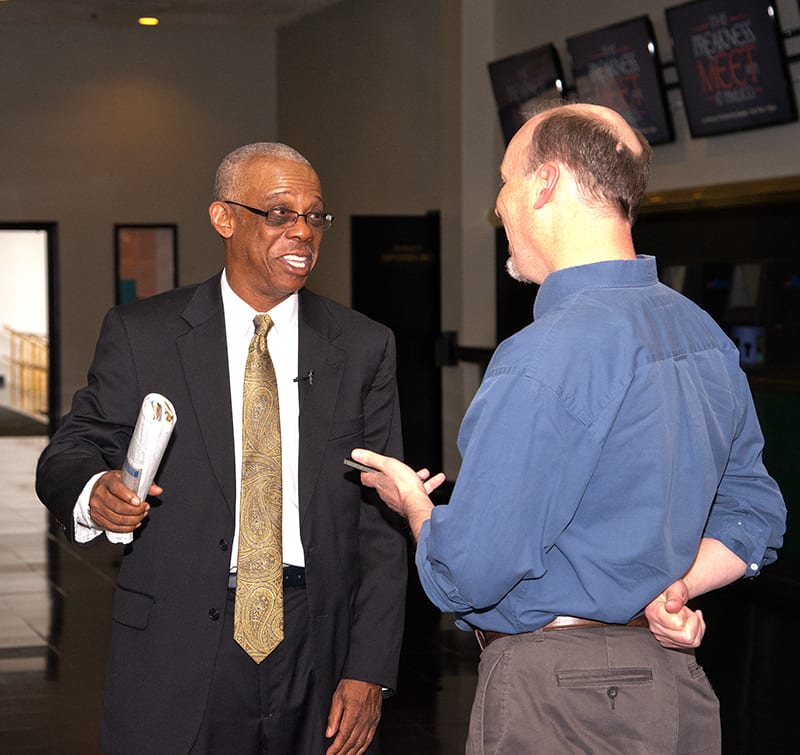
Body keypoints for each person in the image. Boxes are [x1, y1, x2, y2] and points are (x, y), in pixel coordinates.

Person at [350, 102, 787, 754]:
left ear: (545, 183)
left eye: (505, 181)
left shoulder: (543, 355)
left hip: (560, 701)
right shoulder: (705, 337)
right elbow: (755, 513)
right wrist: (676, 585)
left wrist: (415, 507)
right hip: (674, 694)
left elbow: (468, 572)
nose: (498, 205)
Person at [36, 142, 407, 755]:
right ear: (224, 218)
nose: (303, 233)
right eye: (280, 213)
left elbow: (383, 521)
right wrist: (94, 492)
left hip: (315, 641)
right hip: (178, 642)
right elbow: (72, 447)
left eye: (315, 216)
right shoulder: (145, 335)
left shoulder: (363, 346)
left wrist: (369, 667)